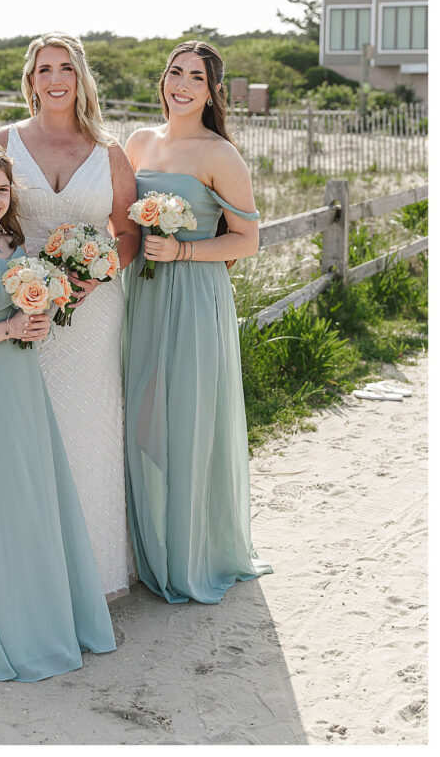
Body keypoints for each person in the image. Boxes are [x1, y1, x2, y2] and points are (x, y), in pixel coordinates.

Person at [0, 139, 115, 681]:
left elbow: (24, 311)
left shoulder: (12, 245)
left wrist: (39, 314)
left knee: (33, 495)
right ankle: (3, 623)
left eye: (1, 189)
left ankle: (42, 613)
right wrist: (9, 328)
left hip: (20, 379)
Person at [123, 40, 272, 604]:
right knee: (140, 415)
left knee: (185, 418)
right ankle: (146, 543)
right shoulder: (139, 142)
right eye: (175, 73)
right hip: (143, 294)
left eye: (197, 78)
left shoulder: (220, 155)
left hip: (194, 295)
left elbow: (247, 240)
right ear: (163, 80)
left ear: (212, 93)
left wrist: (183, 253)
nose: (182, 85)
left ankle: (189, 553)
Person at [0, 32, 140, 599]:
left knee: (90, 432)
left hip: (93, 315)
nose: (55, 79)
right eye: (44, 69)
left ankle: (97, 577)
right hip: (21, 313)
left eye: (66, 69)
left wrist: (94, 273)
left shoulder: (109, 153)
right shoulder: (5, 141)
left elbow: (126, 234)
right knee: (27, 439)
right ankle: (33, 579)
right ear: (30, 80)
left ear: (81, 79)